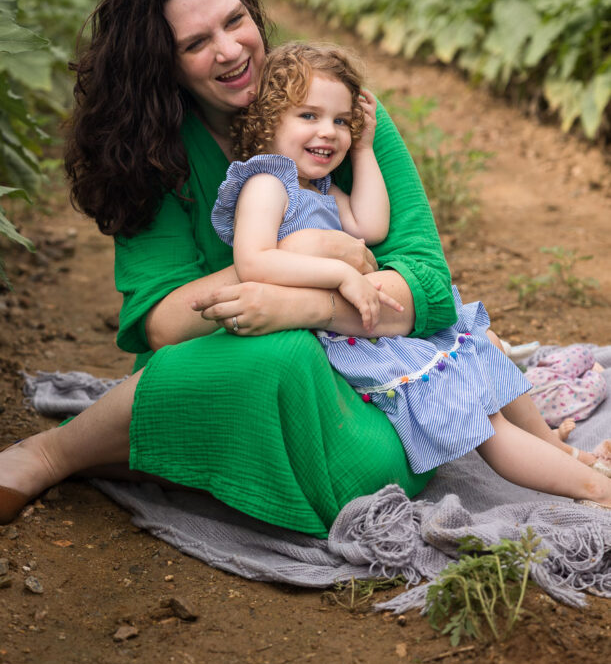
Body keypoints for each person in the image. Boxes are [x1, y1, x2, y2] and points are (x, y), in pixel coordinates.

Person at [0, 0, 611, 529]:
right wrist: (284, 261)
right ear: (165, 63)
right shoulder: (151, 150)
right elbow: (161, 323)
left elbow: (430, 285)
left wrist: (308, 304)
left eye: (235, 20)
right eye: (195, 42)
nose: (230, 48)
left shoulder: (331, 112)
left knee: (374, 463)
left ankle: (169, 450)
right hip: (226, 358)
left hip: (360, 382)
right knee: (272, 354)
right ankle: (55, 453)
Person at [211, 41, 611, 503]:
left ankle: (559, 450)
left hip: (368, 325)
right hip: (347, 340)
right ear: (267, 121)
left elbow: (371, 223)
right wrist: (340, 275)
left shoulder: (317, 188)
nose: (329, 132)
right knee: (481, 420)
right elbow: (253, 260)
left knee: (482, 347)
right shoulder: (266, 183)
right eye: (310, 116)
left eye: (341, 121)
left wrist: (363, 150)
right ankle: (592, 490)